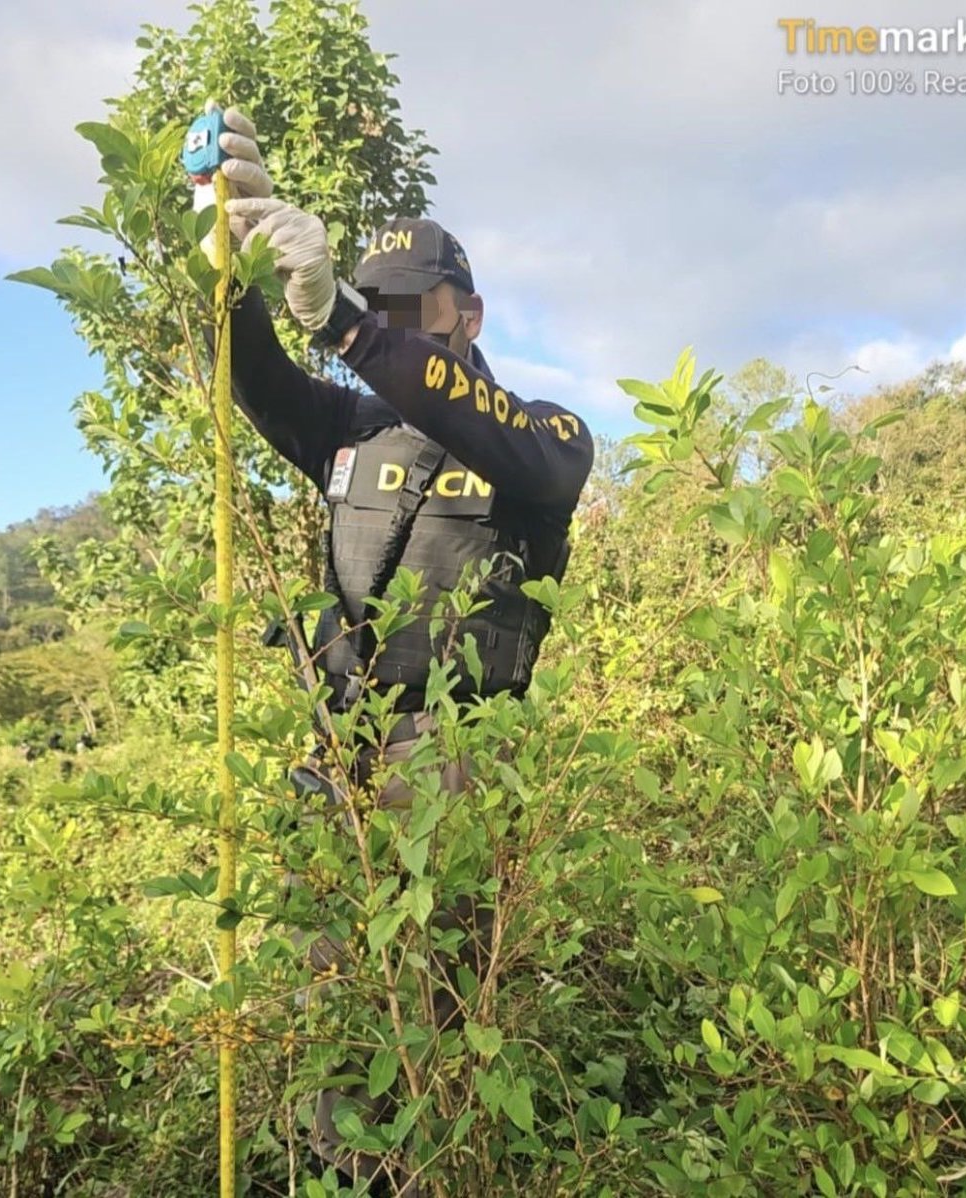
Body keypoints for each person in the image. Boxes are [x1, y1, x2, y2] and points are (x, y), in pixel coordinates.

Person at [199, 103, 594, 1193]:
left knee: (433, 988)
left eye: (409, 308)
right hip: (343, 745)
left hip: (457, 752)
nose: (389, 325)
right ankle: (334, 1173)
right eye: (373, 306)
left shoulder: (544, 434)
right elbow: (256, 379)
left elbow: (508, 444)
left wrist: (346, 327)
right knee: (326, 979)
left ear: (466, 311)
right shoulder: (346, 428)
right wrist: (225, 253)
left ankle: (434, 1173)